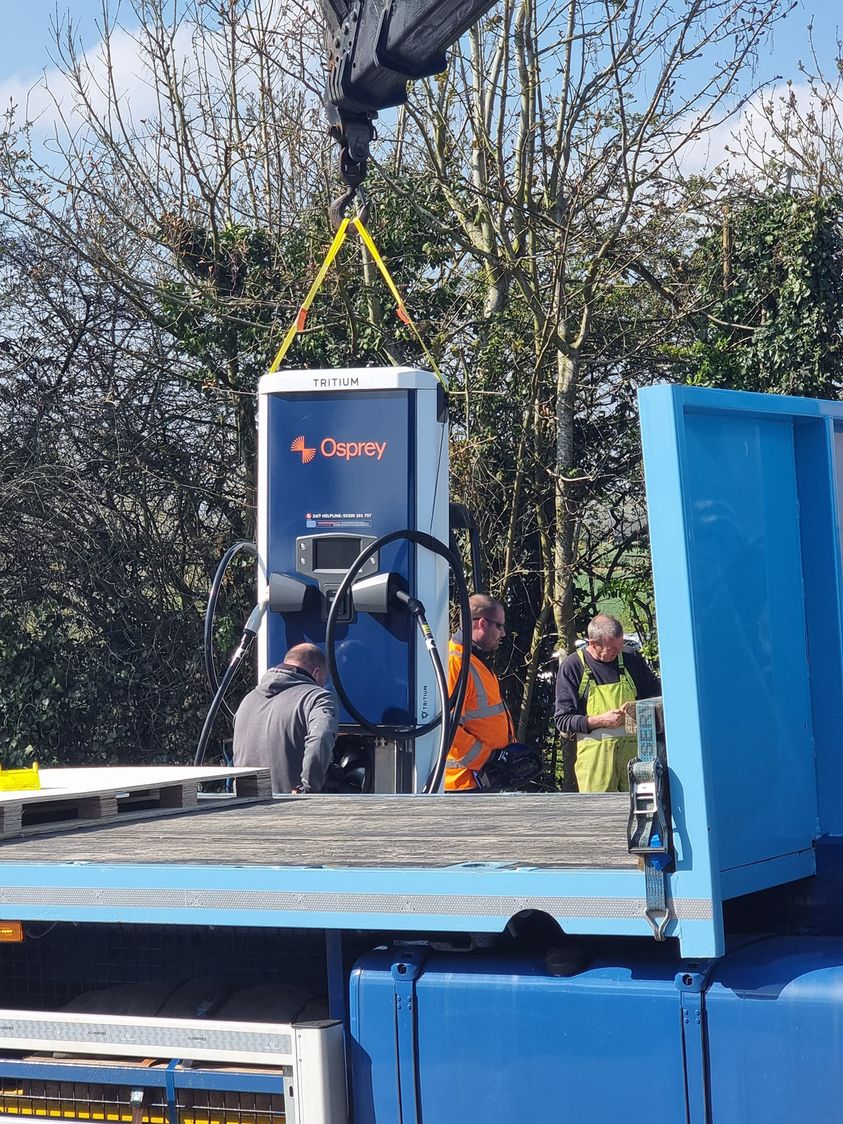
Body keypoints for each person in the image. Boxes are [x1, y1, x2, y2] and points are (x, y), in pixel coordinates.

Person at [554, 613, 661, 793]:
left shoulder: (631, 659)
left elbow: (655, 698)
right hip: (596, 766)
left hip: (635, 762)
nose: (618, 653)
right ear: (593, 643)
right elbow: (563, 720)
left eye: (620, 647)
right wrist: (601, 721)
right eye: (612, 649)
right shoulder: (573, 667)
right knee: (601, 817)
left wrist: (637, 710)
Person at [233, 643, 338, 795]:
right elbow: (321, 737)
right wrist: (308, 789)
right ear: (316, 673)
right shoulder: (318, 697)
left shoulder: (248, 699)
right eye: (323, 680)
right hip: (290, 812)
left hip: (247, 809)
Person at [445, 594, 516, 792]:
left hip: (480, 779)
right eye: (499, 626)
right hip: (464, 783)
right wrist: (489, 759)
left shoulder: (474, 661)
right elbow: (448, 729)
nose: (502, 633)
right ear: (483, 624)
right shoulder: (456, 664)